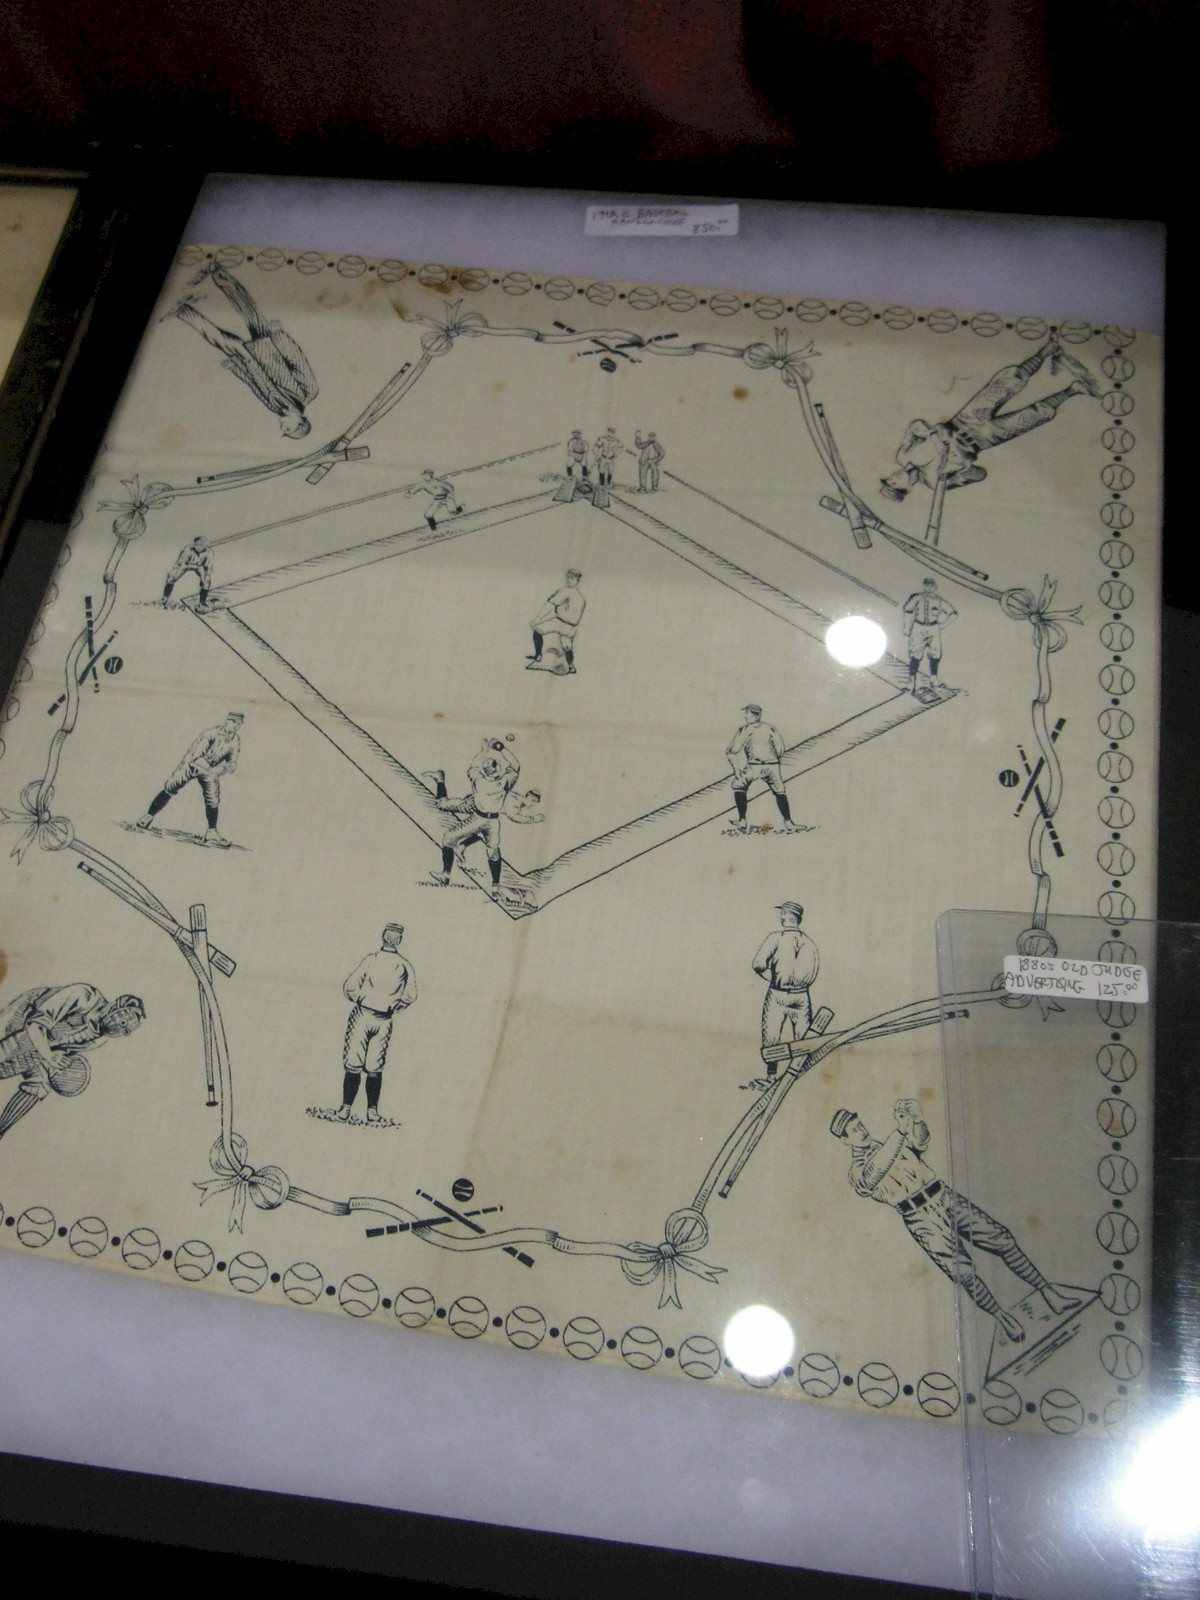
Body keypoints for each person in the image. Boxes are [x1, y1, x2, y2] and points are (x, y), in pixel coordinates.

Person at [831, 1100, 1081, 1343]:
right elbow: (875, 1171)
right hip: (920, 1218)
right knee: (963, 1272)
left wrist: (916, 1121)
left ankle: (1049, 1293)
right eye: (854, 1130)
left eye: (859, 1124)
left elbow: (920, 1143)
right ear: (845, 1140)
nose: (861, 1130)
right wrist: (900, 1131)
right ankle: (1002, 1317)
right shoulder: (858, 1172)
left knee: (1002, 1240)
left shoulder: (889, 1144)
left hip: (944, 1196)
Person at [880, 338, 1100, 503]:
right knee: (1034, 417)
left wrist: (934, 433)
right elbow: (980, 474)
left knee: (1008, 382)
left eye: (889, 479)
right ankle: (1073, 390)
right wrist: (962, 466)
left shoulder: (904, 455)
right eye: (895, 483)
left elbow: (915, 426)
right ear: (907, 490)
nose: (894, 477)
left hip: (965, 420)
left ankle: (1045, 352)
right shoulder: (935, 483)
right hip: (982, 439)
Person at [169, 263, 317, 439]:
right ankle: (219, 273)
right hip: (268, 346)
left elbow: (254, 384)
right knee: (247, 309)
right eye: (288, 429)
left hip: (248, 361)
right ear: (299, 423)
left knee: (219, 340)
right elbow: (296, 360)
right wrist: (278, 335)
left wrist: (235, 368)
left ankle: (182, 311)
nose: (282, 428)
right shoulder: (309, 393)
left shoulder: (275, 408)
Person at [0, 985, 145, 1143]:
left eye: (126, 1031)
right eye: (123, 1022)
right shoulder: (84, 996)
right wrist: (49, 1056)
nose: (121, 1030)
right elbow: (35, 1024)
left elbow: (62, 1050)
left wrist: (57, 1064)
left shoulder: (99, 1039)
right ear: (117, 1006)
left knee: (40, 1085)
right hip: (20, 1024)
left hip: (39, 1051)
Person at [336, 925, 417, 1124]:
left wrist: (365, 1000)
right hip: (370, 1016)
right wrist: (390, 1006)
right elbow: (409, 996)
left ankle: (360, 1110)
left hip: (374, 1017)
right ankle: (354, 1109)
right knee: (364, 1064)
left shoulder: (387, 962)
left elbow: (350, 987)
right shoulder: (390, 962)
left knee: (367, 1065)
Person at [424, 737, 522, 897]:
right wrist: (501, 748)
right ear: (498, 769)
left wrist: (484, 751)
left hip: (479, 817)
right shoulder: (505, 781)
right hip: (486, 817)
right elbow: (516, 766)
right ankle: (495, 886)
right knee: (492, 852)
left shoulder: (478, 779)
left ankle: (446, 875)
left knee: (448, 837)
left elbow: (474, 766)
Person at [135, 712, 244, 847]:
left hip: (211, 771)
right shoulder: (211, 733)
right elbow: (196, 756)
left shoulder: (235, 741)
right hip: (191, 766)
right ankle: (148, 817)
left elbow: (232, 764)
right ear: (227, 721)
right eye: (234, 722)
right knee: (171, 786)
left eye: (239, 724)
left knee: (213, 799)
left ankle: (211, 832)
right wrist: (212, 768)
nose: (236, 726)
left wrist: (220, 770)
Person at [752, 902, 820, 1051]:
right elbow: (813, 973)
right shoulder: (810, 943)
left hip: (777, 994)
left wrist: (773, 978)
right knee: (803, 1042)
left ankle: (772, 1067)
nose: (781, 917)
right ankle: (799, 1065)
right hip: (802, 995)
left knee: (771, 1041)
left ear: (788, 916)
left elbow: (758, 964)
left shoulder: (775, 938)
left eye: (783, 913)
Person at [726, 705, 798, 832]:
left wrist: (737, 771)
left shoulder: (746, 729)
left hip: (754, 766)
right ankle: (788, 822)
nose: (745, 716)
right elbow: (780, 749)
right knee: (780, 791)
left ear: (755, 715)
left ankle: (742, 821)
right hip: (772, 765)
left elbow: (731, 751)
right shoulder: (770, 728)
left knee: (738, 785)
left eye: (747, 713)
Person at [902, 578, 956, 699]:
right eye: (927, 586)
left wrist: (944, 625)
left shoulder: (938, 601)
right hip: (918, 627)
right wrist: (906, 627)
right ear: (924, 586)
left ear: (935, 588)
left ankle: (933, 679)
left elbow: (953, 613)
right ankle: (911, 682)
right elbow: (907, 610)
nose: (929, 589)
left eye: (931, 586)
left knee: (936, 653)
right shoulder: (917, 598)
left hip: (933, 628)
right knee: (915, 654)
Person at [528, 570, 586, 674]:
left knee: (537, 630)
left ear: (577, 580)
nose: (569, 580)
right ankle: (571, 666)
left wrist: (537, 619)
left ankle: (538, 656)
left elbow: (550, 604)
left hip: (561, 623)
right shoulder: (581, 597)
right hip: (571, 627)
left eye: (572, 578)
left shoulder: (566, 591)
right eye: (568, 577)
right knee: (567, 647)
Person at [162, 536, 215, 610]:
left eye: (201, 545)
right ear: (194, 544)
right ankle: (165, 598)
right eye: (197, 545)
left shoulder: (209, 553)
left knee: (207, 580)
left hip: (200, 567)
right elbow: (181, 563)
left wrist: (206, 576)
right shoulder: (187, 550)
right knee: (172, 576)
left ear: (205, 545)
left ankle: (202, 602)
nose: (199, 547)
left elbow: (209, 568)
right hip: (186, 565)